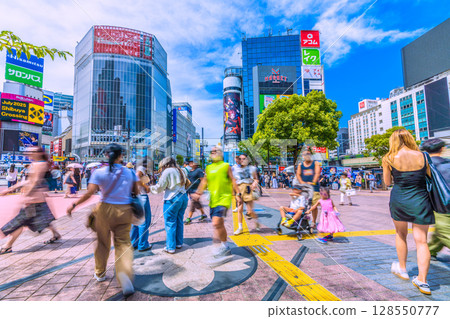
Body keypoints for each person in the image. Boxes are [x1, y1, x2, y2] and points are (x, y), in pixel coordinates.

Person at [67, 144, 139, 297]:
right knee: (123, 243)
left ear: (107, 155)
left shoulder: (98, 172)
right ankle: (124, 276)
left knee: (102, 243)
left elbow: (89, 193)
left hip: (104, 210)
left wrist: (74, 204)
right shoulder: (130, 172)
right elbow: (136, 192)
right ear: (121, 155)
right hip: (124, 210)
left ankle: (100, 273)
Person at [382, 129, 434, 295]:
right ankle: (423, 281)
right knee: (422, 241)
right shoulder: (423, 156)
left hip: (399, 199)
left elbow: (387, 182)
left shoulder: (388, 158)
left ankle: (403, 269)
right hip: (420, 199)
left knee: (400, 234)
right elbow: (430, 177)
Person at [1, 147, 62, 255]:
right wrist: (10, 189)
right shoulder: (35, 164)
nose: (28, 153)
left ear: (38, 153)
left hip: (33, 200)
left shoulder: (40, 164)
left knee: (20, 222)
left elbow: (35, 181)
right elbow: (28, 180)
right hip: (36, 199)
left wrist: (27, 196)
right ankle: (56, 234)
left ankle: (7, 246)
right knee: (43, 219)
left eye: (31, 151)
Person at [191, 146, 241, 266]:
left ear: (220, 153)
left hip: (224, 198)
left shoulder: (226, 166)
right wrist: (198, 192)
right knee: (218, 224)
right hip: (213, 200)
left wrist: (238, 193)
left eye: (216, 151)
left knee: (216, 223)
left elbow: (233, 180)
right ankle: (225, 246)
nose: (213, 153)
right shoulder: (208, 167)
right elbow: (204, 181)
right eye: (212, 151)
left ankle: (221, 247)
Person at [150, 157, 189, 254]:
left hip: (172, 198)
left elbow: (160, 187)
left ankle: (170, 247)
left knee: (170, 223)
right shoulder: (182, 170)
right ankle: (178, 243)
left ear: (165, 164)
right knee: (179, 220)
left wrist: (150, 189)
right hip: (183, 197)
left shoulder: (167, 171)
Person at [421, 138, 450, 261]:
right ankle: (431, 249)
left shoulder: (423, 167)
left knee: (445, 231)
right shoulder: (448, 163)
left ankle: (430, 250)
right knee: (443, 228)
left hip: (439, 205)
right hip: (445, 204)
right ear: (442, 149)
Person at [233, 154, 260, 235]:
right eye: (240, 159)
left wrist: (254, 184)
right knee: (240, 208)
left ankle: (257, 222)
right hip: (239, 188)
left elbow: (256, 179)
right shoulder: (235, 168)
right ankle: (240, 227)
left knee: (250, 211)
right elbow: (233, 181)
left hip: (248, 188)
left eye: (244, 158)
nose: (242, 160)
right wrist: (236, 192)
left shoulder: (252, 168)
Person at [130, 161, 152, 252]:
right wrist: (145, 187)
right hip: (141, 197)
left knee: (135, 222)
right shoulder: (140, 169)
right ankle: (142, 244)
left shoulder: (131, 170)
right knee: (144, 222)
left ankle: (133, 243)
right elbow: (137, 177)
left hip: (134, 197)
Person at [296, 149, 321, 229]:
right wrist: (302, 183)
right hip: (304, 188)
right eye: (305, 154)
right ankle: (303, 220)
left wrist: (313, 182)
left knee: (314, 205)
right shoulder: (300, 165)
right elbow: (298, 174)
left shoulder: (315, 163)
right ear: (302, 156)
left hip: (314, 188)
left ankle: (313, 221)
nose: (307, 155)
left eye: (309, 154)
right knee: (302, 205)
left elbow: (317, 173)